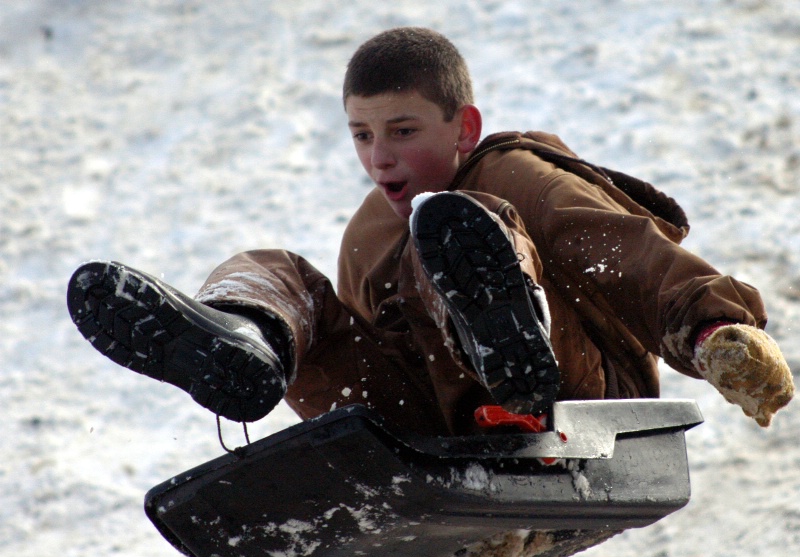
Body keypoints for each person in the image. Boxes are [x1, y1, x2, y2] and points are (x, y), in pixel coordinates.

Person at [67, 27, 794, 439]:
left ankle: (506, 333)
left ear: (462, 128)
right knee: (279, 270)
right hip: (438, 421)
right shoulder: (366, 234)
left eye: (403, 131)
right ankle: (247, 345)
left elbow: (611, 245)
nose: (379, 155)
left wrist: (713, 331)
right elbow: (365, 358)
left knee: (460, 226)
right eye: (361, 134)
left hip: (575, 390)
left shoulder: (507, 171)